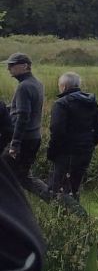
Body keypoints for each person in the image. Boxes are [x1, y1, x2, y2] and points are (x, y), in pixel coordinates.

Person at [46, 71, 98, 214]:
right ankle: (72, 222)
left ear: (64, 86)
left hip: (66, 153)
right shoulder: (90, 102)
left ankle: (79, 219)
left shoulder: (61, 104)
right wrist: (90, 144)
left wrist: (52, 152)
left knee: (59, 190)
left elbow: (57, 131)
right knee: (74, 187)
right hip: (85, 152)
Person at [6, 53, 51, 200]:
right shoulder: (36, 83)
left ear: (25, 66)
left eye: (12, 65)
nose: (9, 68)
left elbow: (23, 116)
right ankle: (56, 200)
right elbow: (25, 108)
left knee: (7, 173)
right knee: (23, 177)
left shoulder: (24, 87)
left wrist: (15, 144)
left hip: (23, 139)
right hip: (33, 137)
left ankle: (12, 211)